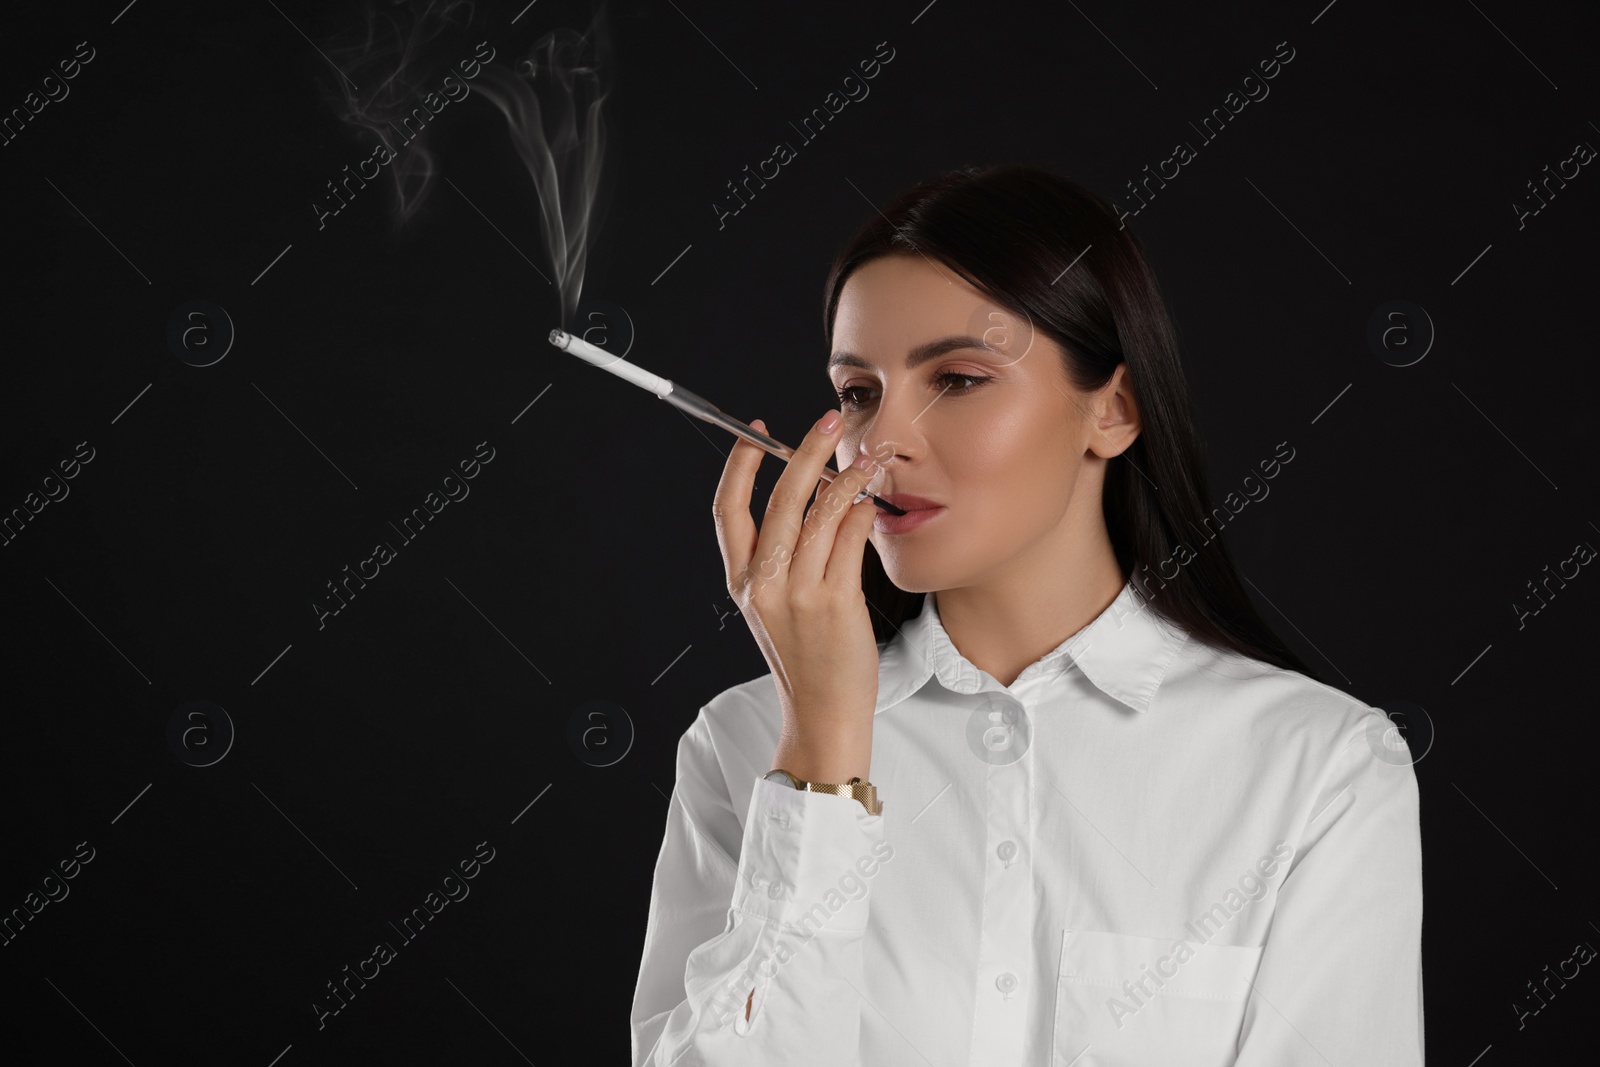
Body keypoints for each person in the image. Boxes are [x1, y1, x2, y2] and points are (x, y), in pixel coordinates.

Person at [629, 163, 1424, 1066]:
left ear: (1114, 410)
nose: (882, 442)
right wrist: (820, 758)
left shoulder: (1318, 768)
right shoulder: (744, 747)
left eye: (958, 380)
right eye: (858, 392)